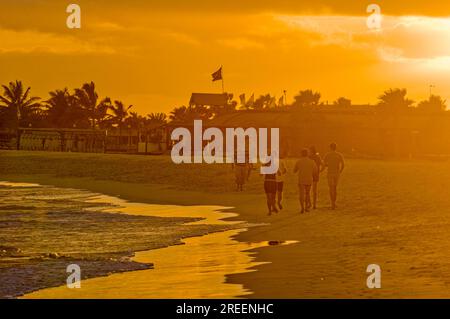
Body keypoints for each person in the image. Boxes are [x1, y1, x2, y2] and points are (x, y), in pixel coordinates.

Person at [294, 149, 318, 214]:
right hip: (309, 179)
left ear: (301, 154)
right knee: (307, 194)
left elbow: (294, 170)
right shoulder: (312, 161)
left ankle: (302, 208)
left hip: (301, 179)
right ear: (307, 154)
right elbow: (315, 171)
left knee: (301, 194)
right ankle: (306, 207)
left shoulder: (299, 161)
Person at [322, 142, 345, 210]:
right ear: (336, 147)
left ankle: (332, 203)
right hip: (336, 173)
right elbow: (343, 164)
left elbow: (324, 164)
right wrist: (340, 171)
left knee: (331, 188)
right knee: (334, 188)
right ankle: (334, 203)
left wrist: (321, 170)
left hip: (330, 173)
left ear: (330, 147)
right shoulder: (339, 155)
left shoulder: (327, 155)